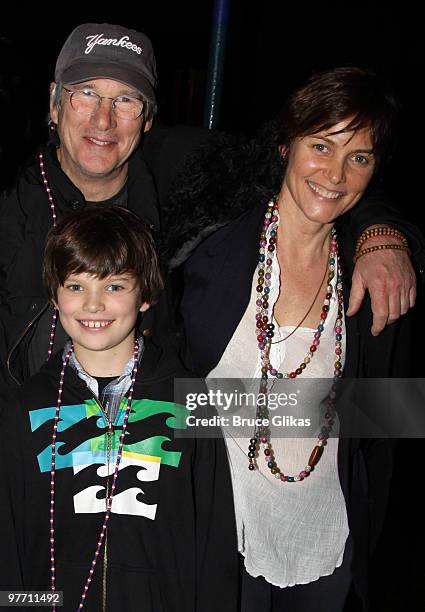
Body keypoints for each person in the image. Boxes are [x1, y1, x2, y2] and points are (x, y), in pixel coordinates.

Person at [0, 22, 422, 388]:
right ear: (54, 101)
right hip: (27, 449)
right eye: (86, 93)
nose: (104, 119)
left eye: (126, 100)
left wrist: (381, 234)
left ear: (148, 118)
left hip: (153, 445)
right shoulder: (10, 202)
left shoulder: (184, 172)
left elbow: (318, 168)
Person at [180, 67, 417, 611]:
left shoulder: (377, 281)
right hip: (220, 538)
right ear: (285, 143)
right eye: (320, 145)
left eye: (359, 157)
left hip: (326, 542)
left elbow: (391, 417)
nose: (335, 173)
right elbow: (176, 400)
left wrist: (386, 235)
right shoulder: (208, 251)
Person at [0, 205, 238, 611]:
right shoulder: (27, 407)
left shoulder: (189, 402)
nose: (93, 305)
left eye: (114, 286)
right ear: (54, 294)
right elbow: (11, 543)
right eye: (76, 286)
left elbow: (214, 538)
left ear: (146, 295)